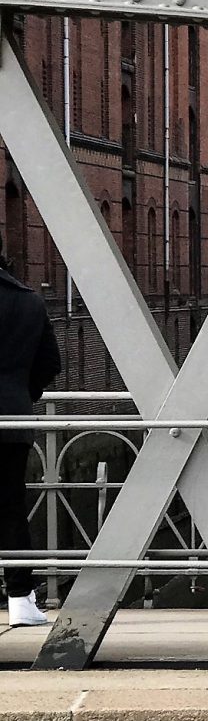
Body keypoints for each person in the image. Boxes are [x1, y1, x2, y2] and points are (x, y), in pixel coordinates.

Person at [0, 232, 62, 626]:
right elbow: (50, 362)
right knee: (9, 507)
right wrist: (21, 393)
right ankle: (21, 599)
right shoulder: (28, 300)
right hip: (11, 418)